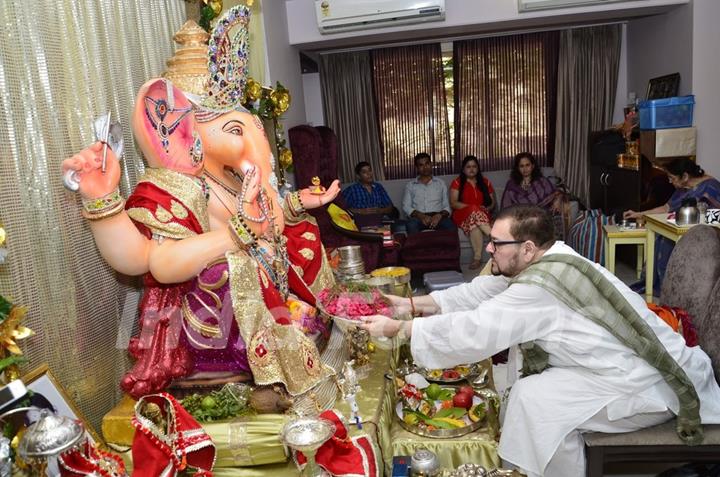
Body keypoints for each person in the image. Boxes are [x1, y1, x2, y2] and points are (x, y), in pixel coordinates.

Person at [61, 7, 342, 412]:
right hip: (212, 319)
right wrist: (103, 201)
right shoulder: (173, 184)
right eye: (232, 130)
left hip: (267, 297)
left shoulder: (229, 177)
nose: (249, 143)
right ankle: (245, 373)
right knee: (229, 268)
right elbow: (148, 261)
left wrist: (296, 205)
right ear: (182, 131)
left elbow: (268, 226)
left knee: (304, 234)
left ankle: (284, 347)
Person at [361, 205, 720, 477]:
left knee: (533, 404)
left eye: (496, 243)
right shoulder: (553, 258)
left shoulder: (539, 287)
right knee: (526, 393)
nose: (488, 249)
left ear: (528, 248)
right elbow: (481, 292)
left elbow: (478, 328)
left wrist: (402, 330)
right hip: (618, 364)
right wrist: (408, 305)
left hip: (642, 381)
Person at [624, 157, 720, 293]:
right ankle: (659, 285)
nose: (670, 181)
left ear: (685, 176)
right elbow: (666, 208)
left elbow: (715, 217)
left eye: (672, 177)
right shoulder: (684, 187)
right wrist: (639, 214)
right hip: (682, 228)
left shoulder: (711, 187)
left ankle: (670, 288)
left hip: (705, 234)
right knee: (661, 235)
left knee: (668, 241)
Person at [449, 155, 495, 270]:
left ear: (478, 168)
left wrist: (486, 209)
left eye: (474, 166)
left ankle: (477, 258)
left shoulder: (485, 182)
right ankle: (495, 237)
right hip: (462, 214)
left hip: (481, 215)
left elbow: (492, 203)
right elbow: (454, 203)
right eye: (468, 167)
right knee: (473, 210)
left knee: (474, 225)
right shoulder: (457, 182)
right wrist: (474, 208)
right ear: (464, 169)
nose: (471, 169)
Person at [402, 152, 456, 234]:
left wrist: (439, 216)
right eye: (421, 165)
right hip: (418, 218)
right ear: (417, 167)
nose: (425, 167)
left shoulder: (440, 183)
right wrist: (421, 216)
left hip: (438, 217)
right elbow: (406, 207)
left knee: (449, 225)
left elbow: (447, 206)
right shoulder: (410, 185)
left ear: (431, 164)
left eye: (427, 163)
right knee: (411, 225)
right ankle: (418, 247)